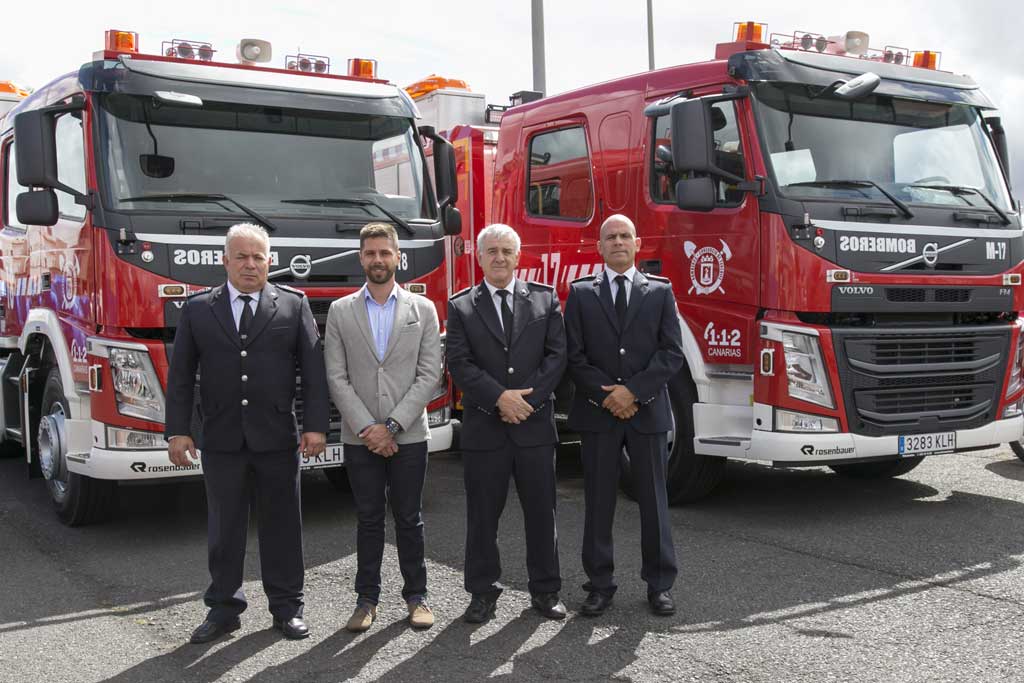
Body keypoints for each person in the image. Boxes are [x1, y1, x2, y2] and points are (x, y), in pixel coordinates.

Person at [165, 222, 328, 643]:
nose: (250, 264)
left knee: (283, 527)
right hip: (220, 438)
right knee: (225, 528)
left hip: (276, 436)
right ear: (225, 260)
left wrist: (314, 426)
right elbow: (181, 376)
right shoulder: (199, 309)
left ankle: (287, 607)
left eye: (258, 257)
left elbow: (312, 372)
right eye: (242, 256)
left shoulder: (293, 305)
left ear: (269, 261)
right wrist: (178, 432)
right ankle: (223, 610)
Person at [564, 213, 684, 617]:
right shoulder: (581, 294)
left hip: (646, 411)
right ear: (599, 247)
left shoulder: (660, 292)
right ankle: (599, 585)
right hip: (599, 414)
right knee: (599, 503)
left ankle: (659, 585)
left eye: (624, 236)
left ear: (637, 244)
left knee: (654, 501)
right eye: (610, 237)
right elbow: (574, 357)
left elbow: (671, 352)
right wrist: (609, 397)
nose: (617, 242)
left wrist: (633, 392)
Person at [446, 223, 567, 624]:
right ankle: (482, 593)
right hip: (486, 428)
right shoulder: (461, 305)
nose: (499, 257)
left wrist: (524, 401)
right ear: (479, 258)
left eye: (506, 251)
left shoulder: (544, 300)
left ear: (519, 256)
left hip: (533, 427)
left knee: (541, 513)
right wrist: (500, 398)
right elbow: (459, 363)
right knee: (483, 517)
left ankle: (546, 591)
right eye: (492, 251)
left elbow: (556, 357)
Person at [324, 222, 442, 632]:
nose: (378, 260)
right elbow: (335, 377)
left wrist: (391, 425)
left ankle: (417, 597)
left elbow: (430, 374)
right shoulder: (340, 311)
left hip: (408, 434)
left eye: (385, 253)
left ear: (397, 257)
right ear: (361, 258)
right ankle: (366, 600)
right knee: (369, 518)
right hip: (360, 438)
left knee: (409, 517)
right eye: (370, 253)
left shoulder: (422, 309)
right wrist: (368, 428)